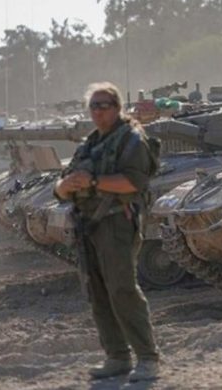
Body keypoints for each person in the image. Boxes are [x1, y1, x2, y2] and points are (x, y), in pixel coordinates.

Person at [54, 82, 160, 382]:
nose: (98, 112)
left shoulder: (131, 139)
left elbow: (133, 182)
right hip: (87, 223)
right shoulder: (89, 144)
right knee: (97, 292)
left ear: (117, 107)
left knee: (122, 289)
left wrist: (92, 181)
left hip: (116, 221)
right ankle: (117, 356)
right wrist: (65, 186)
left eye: (105, 105)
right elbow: (60, 187)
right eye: (94, 106)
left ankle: (147, 358)